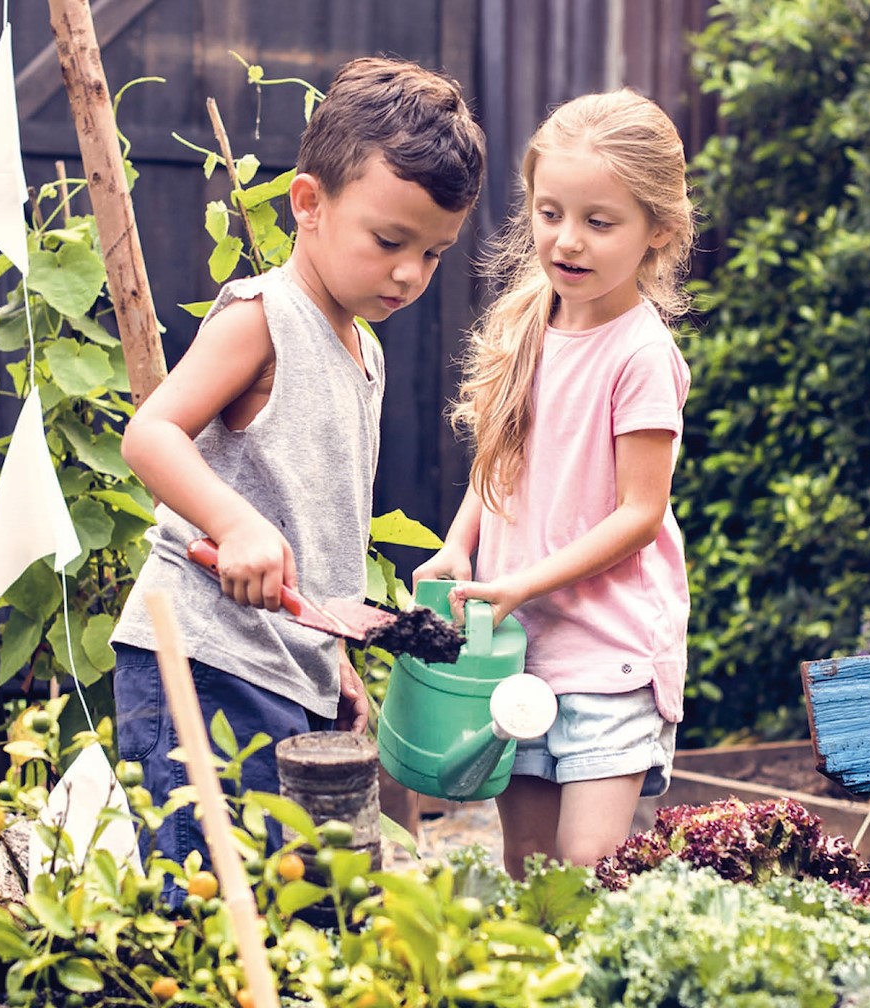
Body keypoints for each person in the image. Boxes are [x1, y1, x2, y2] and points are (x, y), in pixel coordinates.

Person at [111, 57, 486, 898]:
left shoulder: (366, 352)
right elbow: (151, 433)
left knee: (290, 904)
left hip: (286, 665)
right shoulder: (263, 317)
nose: (409, 274)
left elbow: (316, 515)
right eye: (389, 242)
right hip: (201, 662)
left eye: (433, 253)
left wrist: (331, 656)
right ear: (308, 204)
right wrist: (235, 523)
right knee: (209, 901)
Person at [414, 89, 695, 880]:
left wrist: (518, 582)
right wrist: (458, 545)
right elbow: (502, 453)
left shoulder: (640, 355)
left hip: (608, 659)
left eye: (599, 223)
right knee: (527, 863)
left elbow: (641, 514)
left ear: (657, 233)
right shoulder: (531, 318)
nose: (567, 241)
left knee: (585, 864)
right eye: (549, 213)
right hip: (517, 650)